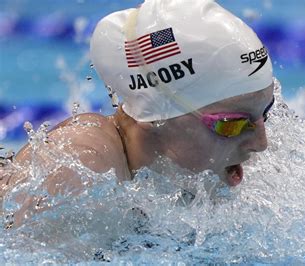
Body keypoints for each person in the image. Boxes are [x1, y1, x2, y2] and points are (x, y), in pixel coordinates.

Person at [0, 0, 274, 225]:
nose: (262, 144)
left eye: (266, 113)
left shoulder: (189, 174)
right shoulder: (80, 168)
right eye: (230, 125)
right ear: (157, 116)